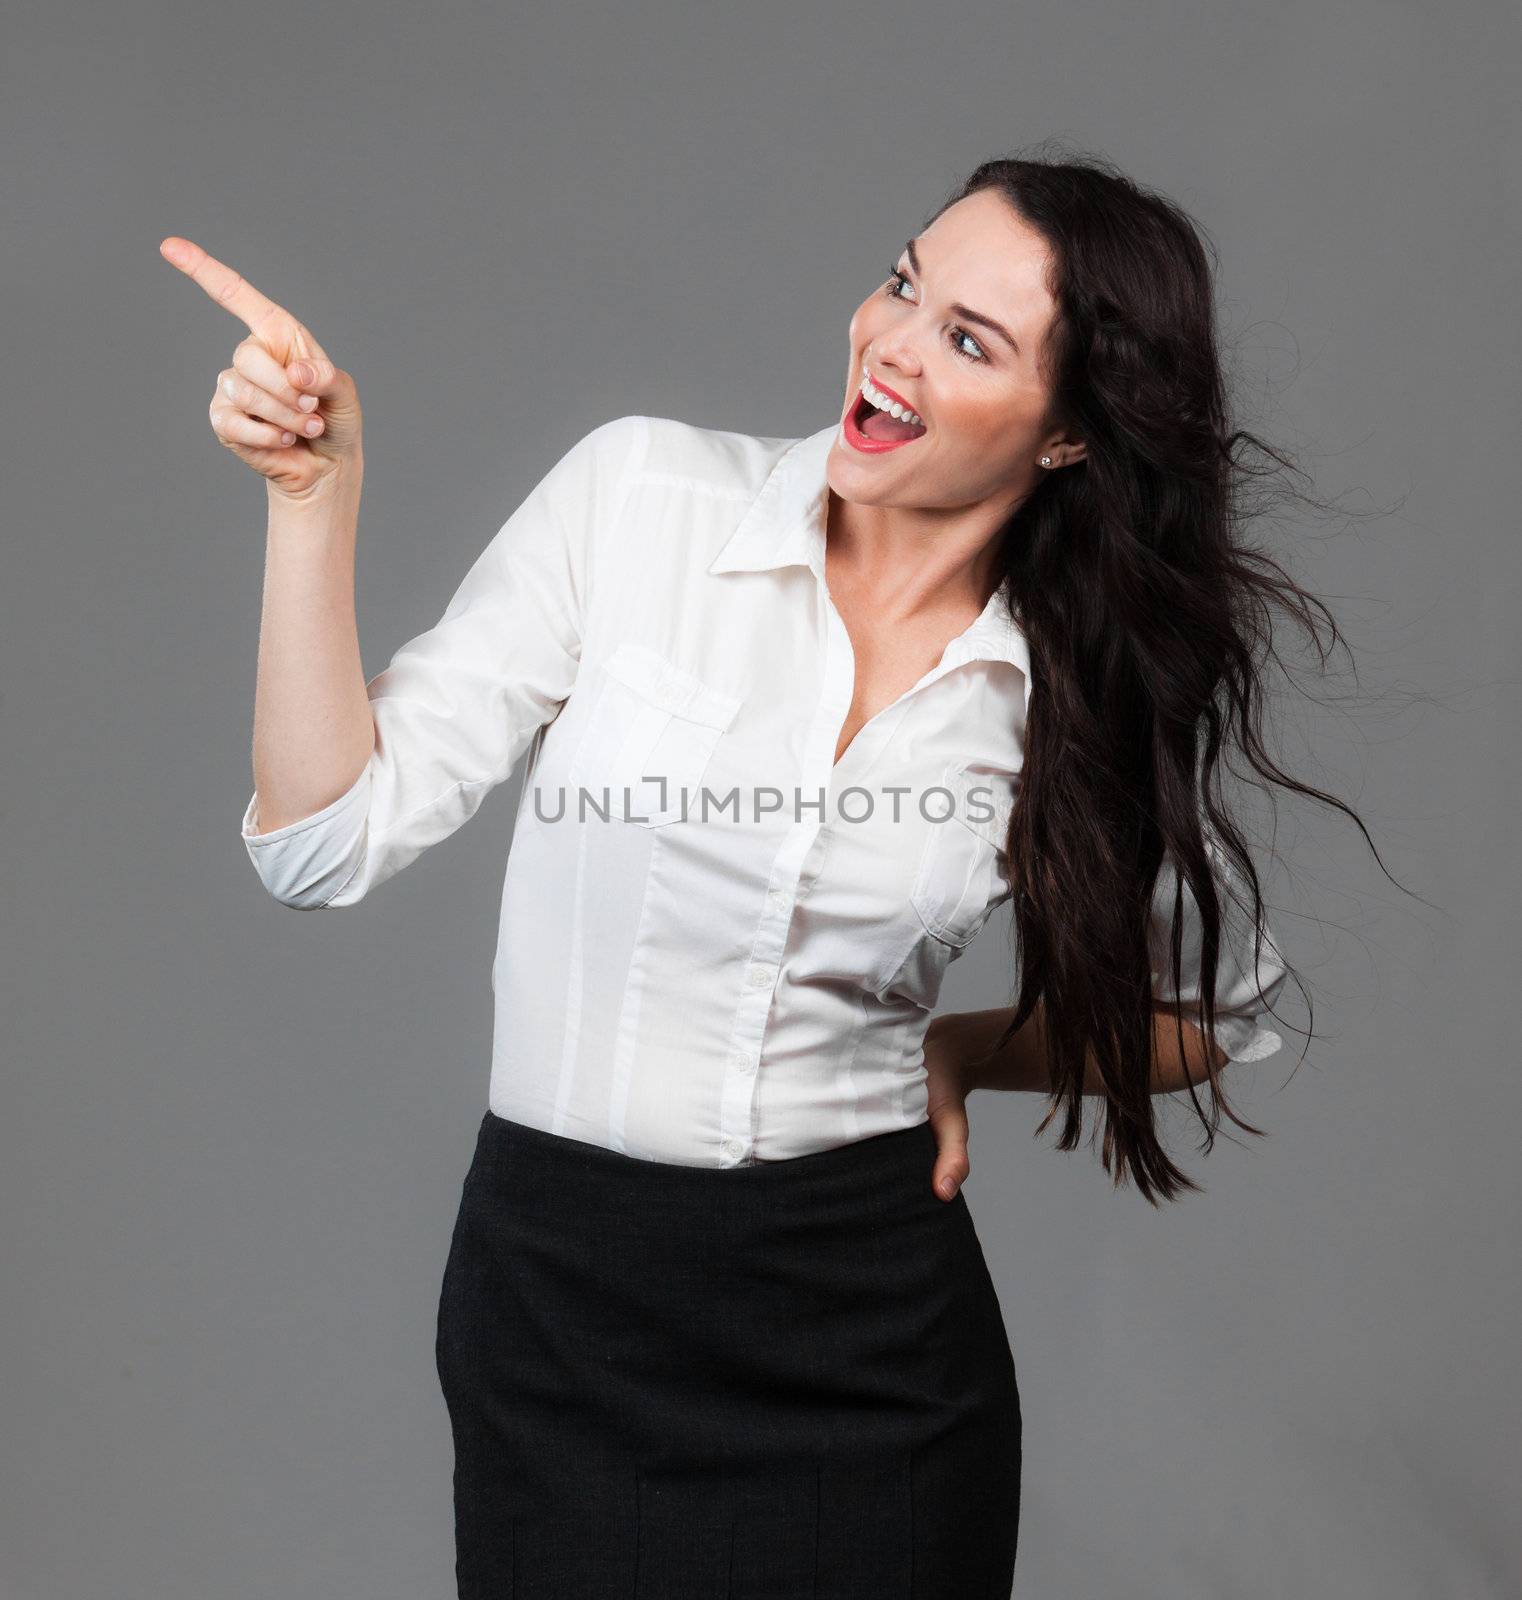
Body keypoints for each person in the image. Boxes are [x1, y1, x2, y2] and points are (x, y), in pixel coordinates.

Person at [164, 151, 1359, 1598]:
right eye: (904, 283)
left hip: (872, 1347)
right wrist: (311, 499)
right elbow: (319, 844)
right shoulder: (639, 499)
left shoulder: (1059, 699)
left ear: (1065, 436)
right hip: (564, 1313)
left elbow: (1208, 1017)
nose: (892, 341)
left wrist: (965, 1049)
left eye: (967, 340)